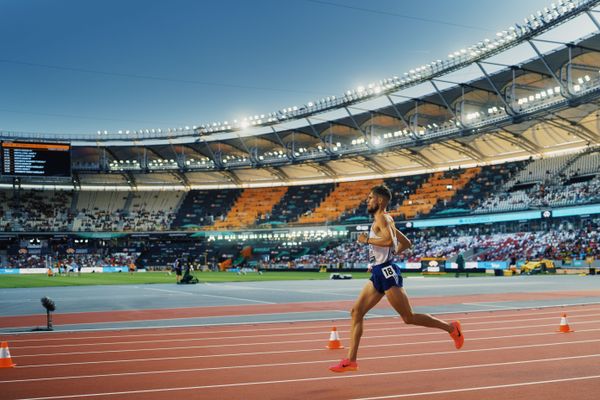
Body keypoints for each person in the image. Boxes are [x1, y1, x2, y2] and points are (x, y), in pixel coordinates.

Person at [329, 184, 464, 373]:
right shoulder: (385, 219)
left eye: (370, 198)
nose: (367, 201)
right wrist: (385, 258)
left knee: (408, 317)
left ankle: (451, 328)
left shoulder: (382, 219)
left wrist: (367, 241)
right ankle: (351, 360)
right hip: (379, 271)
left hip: (386, 272)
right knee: (356, 312)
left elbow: (389, 242)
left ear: (380, 200)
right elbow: (405, 243)